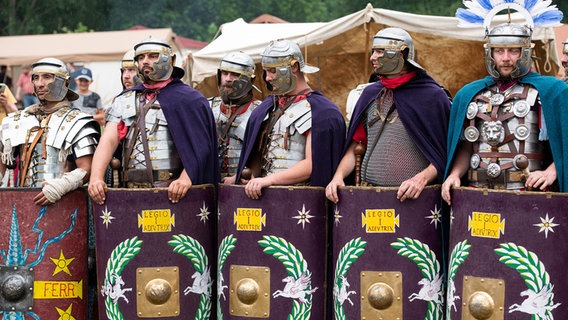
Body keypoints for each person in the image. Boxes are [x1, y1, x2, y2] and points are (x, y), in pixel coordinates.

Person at [442, 20, 568, 204]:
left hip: (529, 195)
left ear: (525, 52)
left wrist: (551, 172)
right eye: (499, 51)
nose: (506, 58)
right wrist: (454, 174)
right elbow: (468, 147)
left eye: (513, 51)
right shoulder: (471, 94)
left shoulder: (551, 92)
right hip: (477, 195)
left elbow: (564, 144)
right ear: (490, 52)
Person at [326, 28, 451, 204]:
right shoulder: (370, 94)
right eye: (373, 51)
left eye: (380, 51)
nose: (372, 58)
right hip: (368, 196)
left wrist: (421, 178)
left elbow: (444, 154)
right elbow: (356, 145)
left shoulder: (432, 96)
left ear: (400, 55)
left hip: (413, 199)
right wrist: (338, 177)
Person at [88, 38, 219, 204]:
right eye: (141, 58)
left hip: (175, 193)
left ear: (171, 60)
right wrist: (96, 177)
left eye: (153, 56)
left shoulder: (190, 99)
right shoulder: (125, 99)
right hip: (130, 192)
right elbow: (108, 139)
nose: (145, 61)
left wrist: (186, 178)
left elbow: (202, 146)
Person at [235, 39, 345, 199]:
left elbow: (312, 164)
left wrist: (268, 180)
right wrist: (254, 179)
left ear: (294, 66)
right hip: (264, 196)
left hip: (301, 200)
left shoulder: (322, 111)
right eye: (265, 71)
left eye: (273, 70)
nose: (267, 78)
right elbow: (256, 155)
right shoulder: (268, 107)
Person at [0, 57, 100, 205]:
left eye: (47, 77)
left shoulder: (78, 122)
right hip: (23, 205)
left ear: (63, 81)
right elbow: (2, 164)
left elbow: (88, 168)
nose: (40, 84)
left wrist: (60, 186)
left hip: (64, 204)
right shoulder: (18, 120)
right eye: (36, 78)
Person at [211, 51, 261, 184]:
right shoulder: (208, 107)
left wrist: (242, 175)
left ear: (249, 79)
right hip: (210, 185)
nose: (228, 79)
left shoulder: (260, 112)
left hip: (245, 187)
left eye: (235, 74)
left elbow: (264, 159)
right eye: (225, 73)